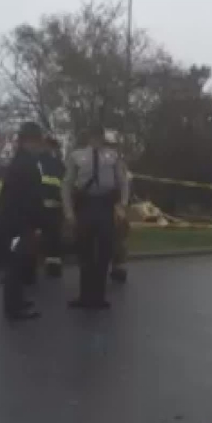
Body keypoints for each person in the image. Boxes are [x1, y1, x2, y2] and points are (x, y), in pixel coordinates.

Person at [62, 124, 129, 309]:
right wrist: (69, 211)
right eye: (93, 137)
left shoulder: (113, 156)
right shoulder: (77, 156)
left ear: (103, 137)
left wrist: (122, 205)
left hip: (106, 206)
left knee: (104, 251)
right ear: (88, 137)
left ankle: (99, 296)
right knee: (84, 251)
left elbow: (123, 182)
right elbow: (67, 184)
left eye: (99, 137)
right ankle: (84, 295)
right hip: (85, 205)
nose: (96, 140)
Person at [0, 121, 46, 320]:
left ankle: (18, 299)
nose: (40, 145)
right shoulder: (26, 165)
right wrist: (35, 223)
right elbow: (30, 197)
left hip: (17, 220)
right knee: (16, 264)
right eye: (37, 141)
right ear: (29, 141)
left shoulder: (21, 162)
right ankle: (14, 306)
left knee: (20, 262)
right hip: (20, 222)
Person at [38, 135, 66, 278]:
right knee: (53, 236)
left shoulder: (40, 161)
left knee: (49, 236)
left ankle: (51, 265)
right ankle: (53, 267)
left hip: (45, 204)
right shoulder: (57, 163)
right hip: (53, 204)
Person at [105, 130, 130, 284]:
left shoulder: (117, 163)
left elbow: (124, 185)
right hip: (108, 205)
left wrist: (122, 205)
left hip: (114, 205)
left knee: (118, 237)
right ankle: (116, 266)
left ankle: (118, 267)